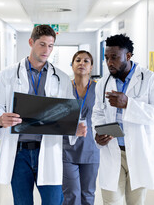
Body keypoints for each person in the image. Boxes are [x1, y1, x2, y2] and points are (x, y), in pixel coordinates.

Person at [0, 25, 87, 205]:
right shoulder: (8, 74)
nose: (46, 50)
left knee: (54, 201)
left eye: (50, 45)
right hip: (19, 153)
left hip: (48, 150)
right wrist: (0, 118)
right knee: (22, 202)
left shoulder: (61, 78)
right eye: (42, 44)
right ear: (31, 42)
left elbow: (70, 112)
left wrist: (75, 127)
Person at [92, 34, 154, 205]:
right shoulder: (103, 82)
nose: (109, 62)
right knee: (111, 201)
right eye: (106, 58)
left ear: (128, 56)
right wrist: (97, 134)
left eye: (114, 57)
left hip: (138, 151)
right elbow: (97, 113)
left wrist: (129, 104)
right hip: (113, 151)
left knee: (136, 203)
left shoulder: (151, 80)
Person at [62, 51, 100, 205]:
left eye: (86, 61)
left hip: (91, 149)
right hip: (67, 149)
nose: (81, 63)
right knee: (71, 194)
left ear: (91, 67)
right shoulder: (63, 88)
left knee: (88, 194)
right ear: (72, 65)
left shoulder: (99, 90)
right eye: (78, 60)